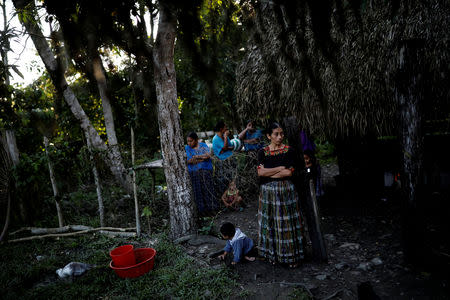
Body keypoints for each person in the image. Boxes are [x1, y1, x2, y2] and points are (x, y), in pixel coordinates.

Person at [257, 122, 304, 268]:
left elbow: (288, 173)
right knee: (271, 223)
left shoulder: (289, 151)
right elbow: (260, 173)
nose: (280, 137)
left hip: (286, 192)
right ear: (269, 136)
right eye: (276, 134)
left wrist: (270, 172)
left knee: (286, 223)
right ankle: (273, 255)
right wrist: (278, 168)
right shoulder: (263, 152)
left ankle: (291, 256)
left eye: (281, 133)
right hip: (267, 194)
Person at [185, 132, 217, 216]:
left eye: (191, 141)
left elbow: (208, 156)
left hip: (206, 171)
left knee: (208, 189)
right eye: (188, 141)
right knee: (198, 191)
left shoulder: (203, 145)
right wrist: (202, 158)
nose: (189, 143)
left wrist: (196, 157)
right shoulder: (187, 148)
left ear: (196, 140)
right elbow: (189, 161)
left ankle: (212, 209)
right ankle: (202, 212)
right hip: (194, 172)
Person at [212, 120, 236, 198]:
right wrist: (225, 137)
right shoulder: (216, 139)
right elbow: (225, 147)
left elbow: (231, 147)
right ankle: (225, 198)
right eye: (225, 127)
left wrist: (225, 148)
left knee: (232, 180)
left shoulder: (225, 137)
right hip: (223, 162)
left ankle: (233, 197)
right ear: (221, 128)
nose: (226, 128)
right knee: (225, 180)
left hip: (230, 159)